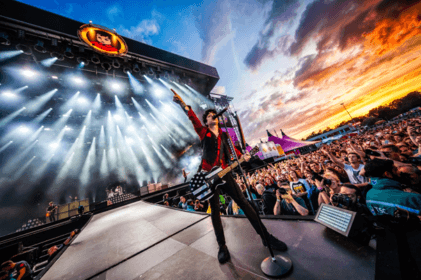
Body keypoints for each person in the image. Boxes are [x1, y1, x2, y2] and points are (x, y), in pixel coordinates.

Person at [173, 89, 287, 264]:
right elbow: (193, 118)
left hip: (225, 173)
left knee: (245, 203)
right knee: (215, 211)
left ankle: (266, 237)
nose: (213, 116)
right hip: (207, 176)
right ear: (207, 121)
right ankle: (222, 246)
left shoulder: (225, 136)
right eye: (210, 115)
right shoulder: (205, 133)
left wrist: (245, 156)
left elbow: (235, 153)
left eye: (214, 114)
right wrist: (183, 104)